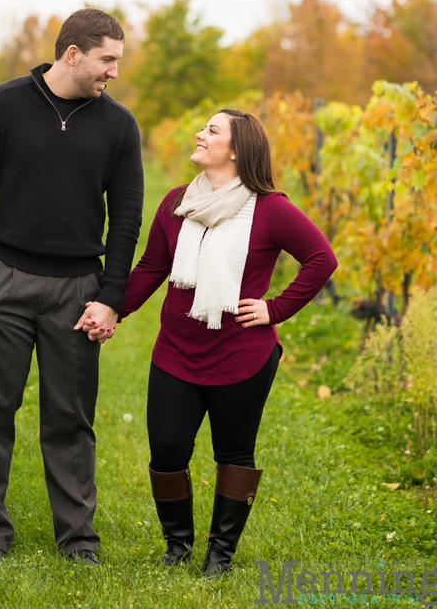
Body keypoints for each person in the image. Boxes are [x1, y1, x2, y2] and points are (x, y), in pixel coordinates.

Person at [0, 8, 143, 565]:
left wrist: (110, 296)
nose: (114, 73)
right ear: (74, 53)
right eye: (107, 60)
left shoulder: (119, 126)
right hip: (3, 282)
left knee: (70, 419)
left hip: (77, 289)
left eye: (118, 62)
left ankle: (78, 539)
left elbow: (126, 216)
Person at [112, 108, 337, 578]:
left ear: (236, 149)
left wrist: (275, 309)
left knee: (233, 453)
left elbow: (321, 258)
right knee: (167, 450)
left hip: (242, 354)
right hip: (176, 348)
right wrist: (113, 307)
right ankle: (178, 546)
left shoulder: (270, 208)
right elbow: (152, 268)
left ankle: (221, 553)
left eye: (212, 130)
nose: (199, 133)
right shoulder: (177, 202)